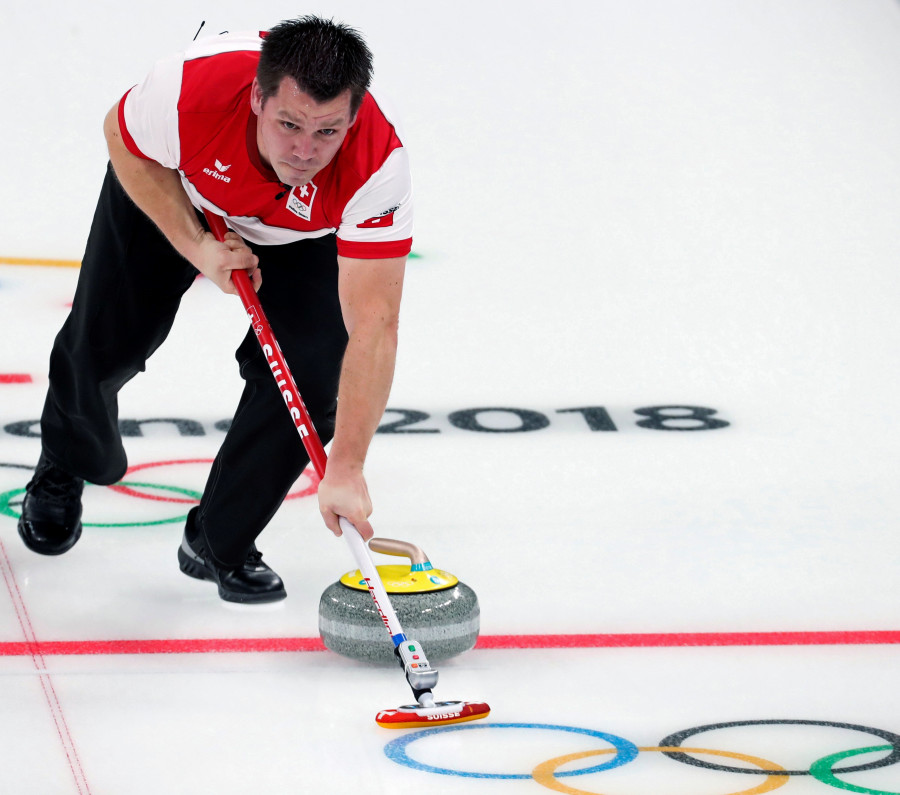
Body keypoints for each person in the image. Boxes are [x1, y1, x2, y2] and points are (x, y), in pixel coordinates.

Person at [17, 16, 413, 604]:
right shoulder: (188, 92)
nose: (305, 151)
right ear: (257, 97)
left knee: (308, 379)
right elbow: (123, 138)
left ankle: (218, 540)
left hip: (300, 235)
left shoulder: (375, 168)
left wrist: (348, 466)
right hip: (180, 186)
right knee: (106, 339)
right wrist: (198, 246)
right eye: (289, 124)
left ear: (353, 118)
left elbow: (374, 327)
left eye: (327, 132)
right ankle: (66, 459)